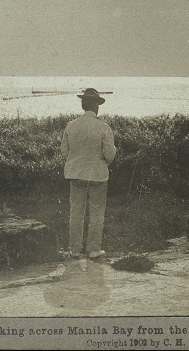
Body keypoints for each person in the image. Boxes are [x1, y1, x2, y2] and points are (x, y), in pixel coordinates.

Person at [60, 88, 117, 259]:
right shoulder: (103, 127)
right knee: (96, 213)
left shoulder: (71, 125)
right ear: (96, 106)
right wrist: (102, 163)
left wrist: (76, 161)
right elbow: (110, 154)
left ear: (83, 104)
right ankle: (93, 249)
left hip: (76, 174)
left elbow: (64, 151)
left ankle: (75, 250)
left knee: (76, 213)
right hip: (97, 175)